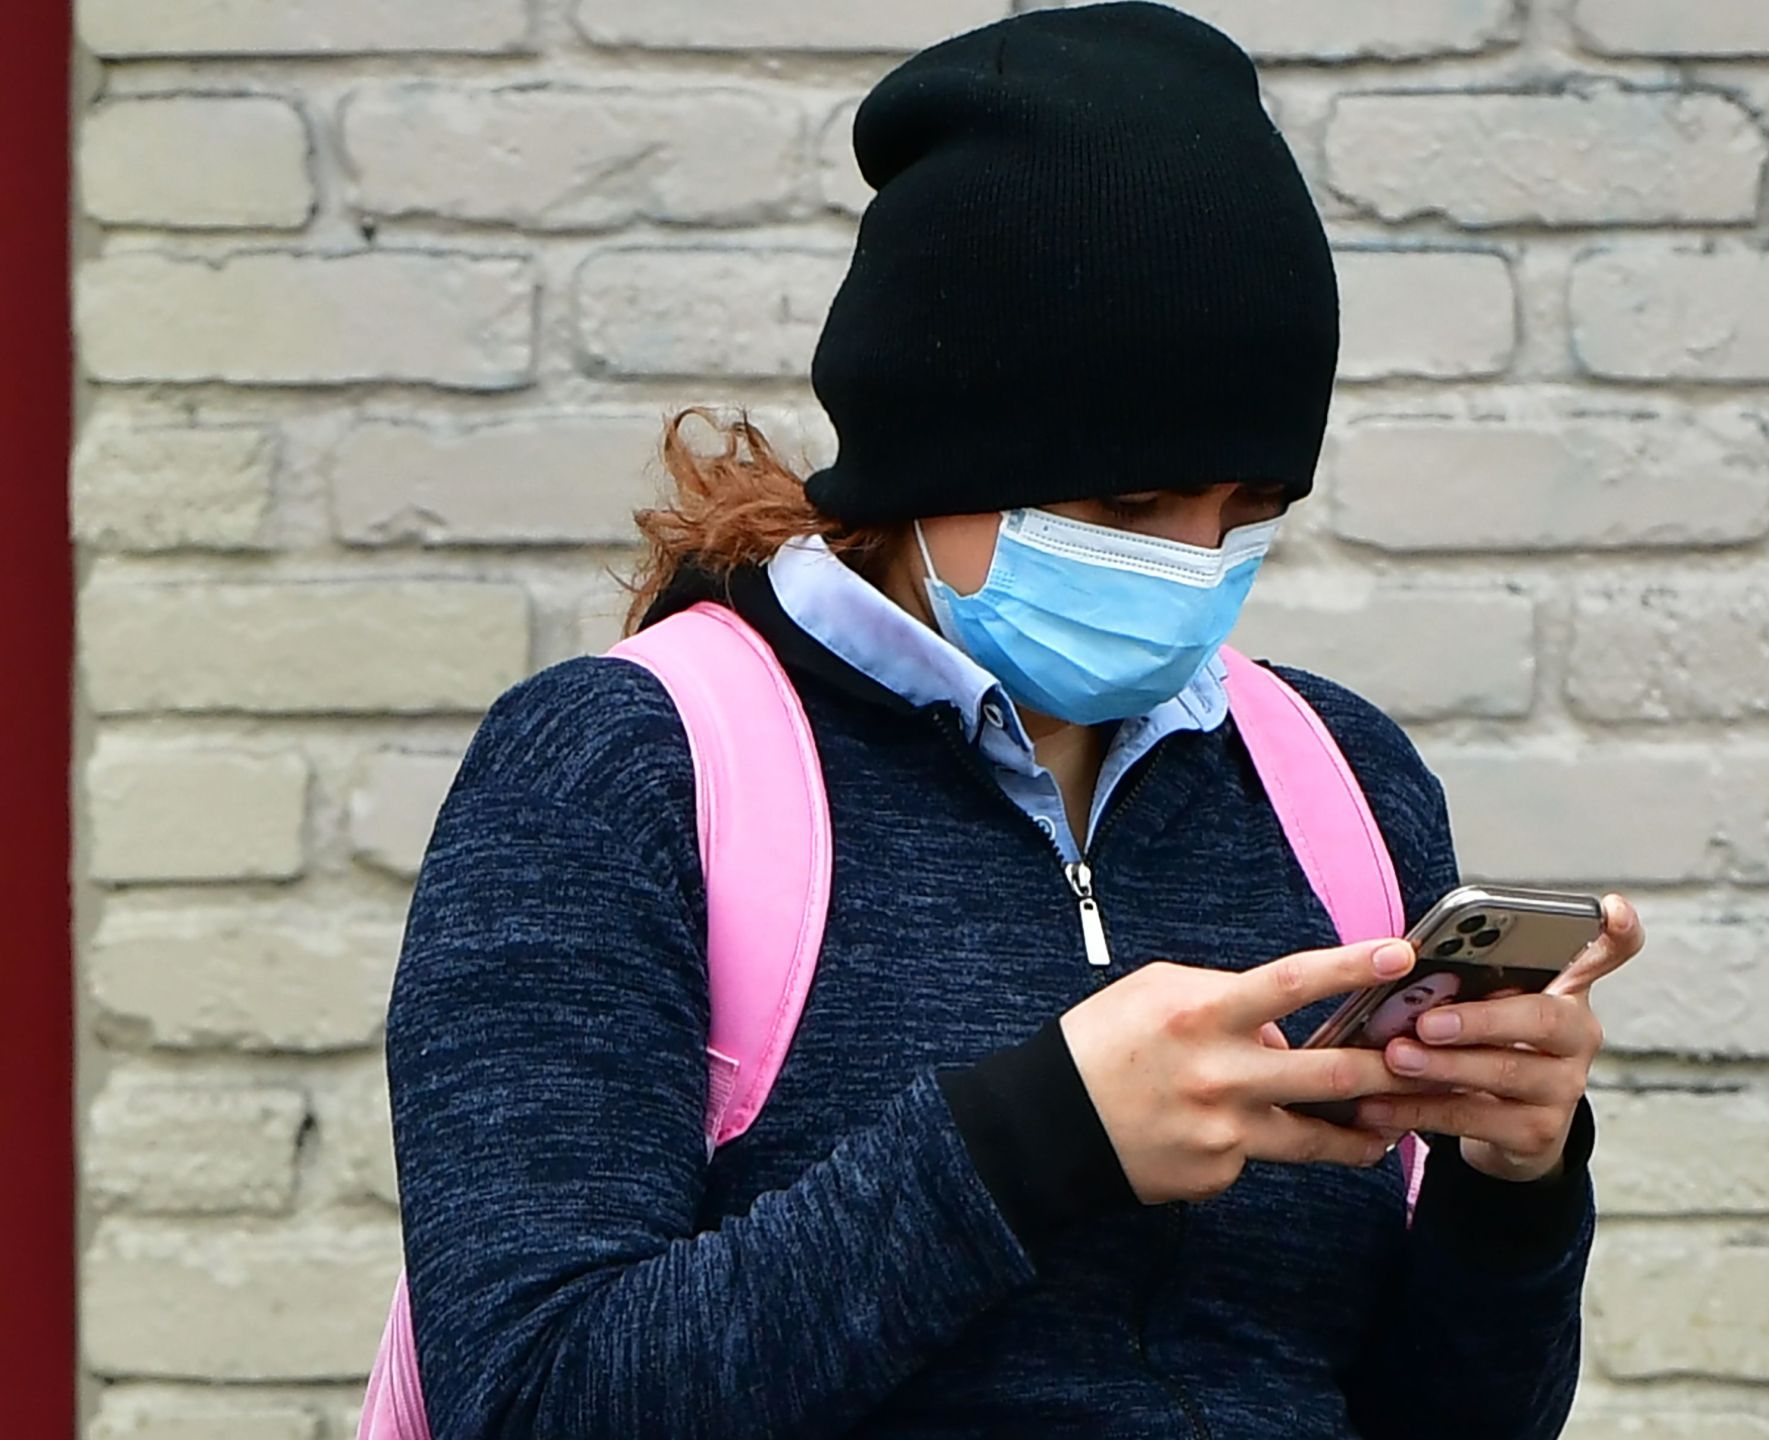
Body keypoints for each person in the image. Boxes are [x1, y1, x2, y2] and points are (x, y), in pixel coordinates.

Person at [383, 6, 1645, 1437]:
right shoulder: (620, 770)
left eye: (1250, 512)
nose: (1191, 562)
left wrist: (1513, 1183)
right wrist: (1034, 1142)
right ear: (936, 448)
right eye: (1128, 508)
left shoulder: (1338, 782)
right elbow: (533, 1397)